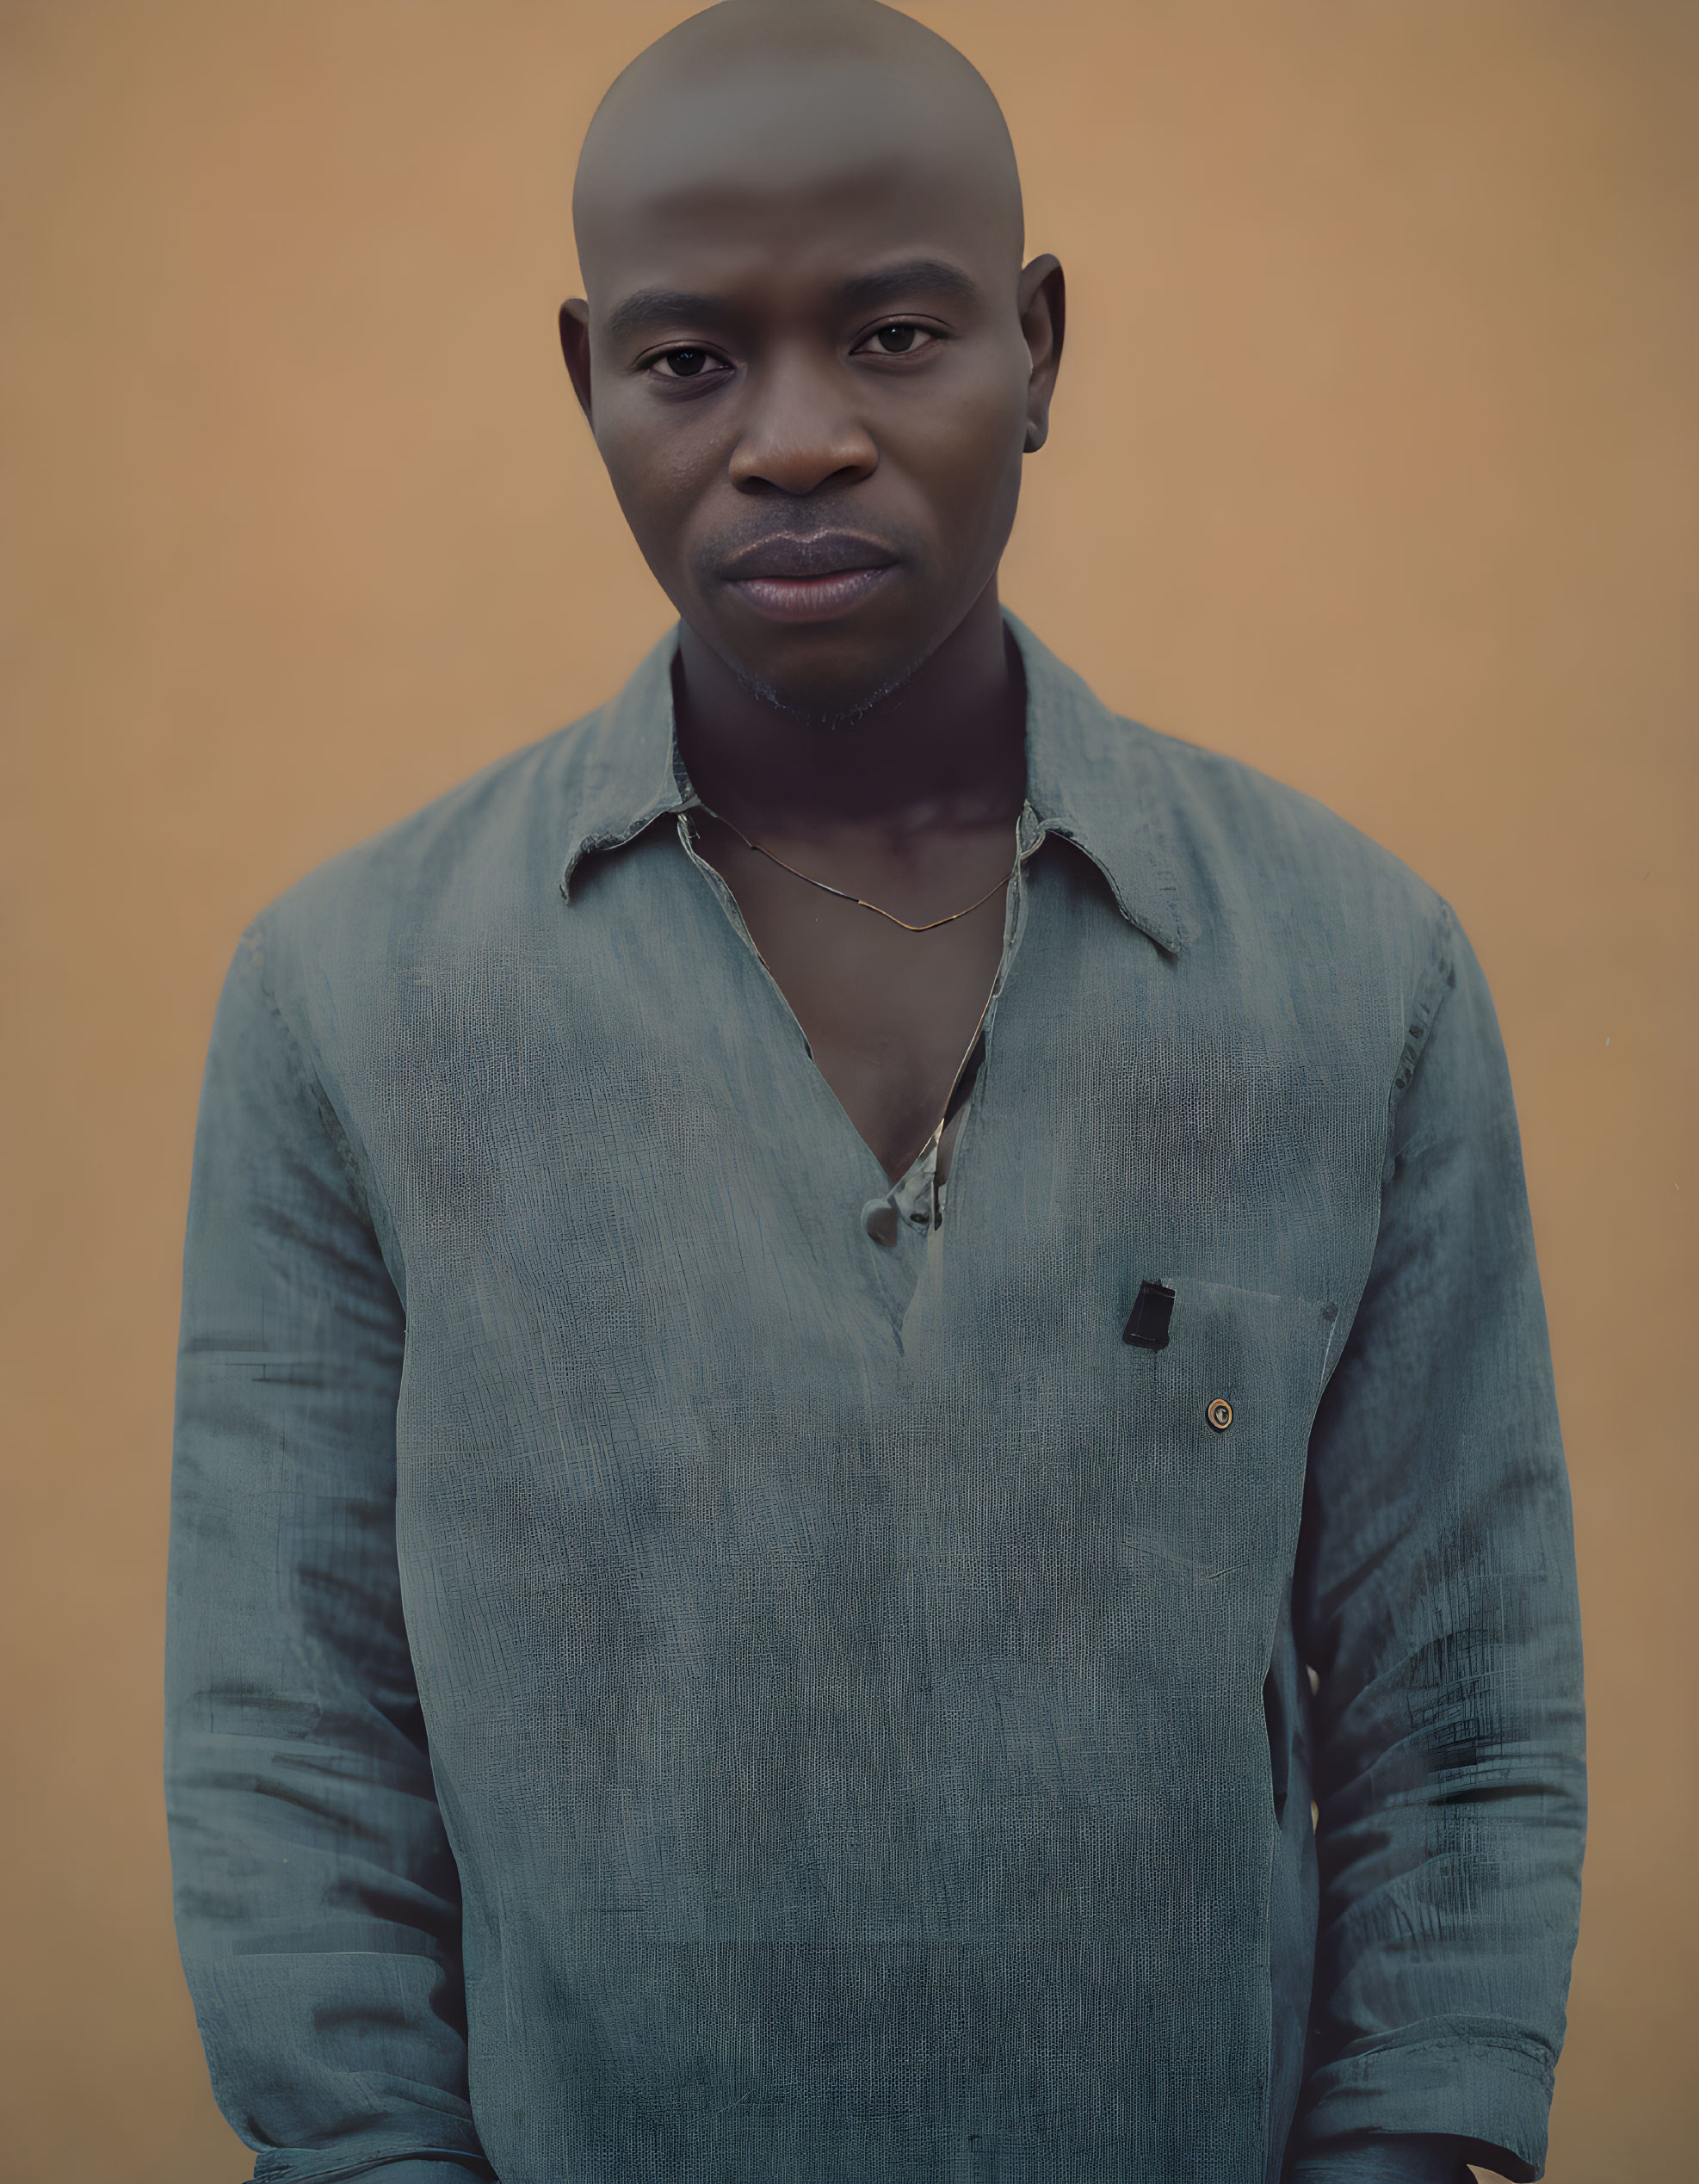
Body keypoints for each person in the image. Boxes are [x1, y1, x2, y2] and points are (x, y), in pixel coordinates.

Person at [164, 5, 1585, 2181]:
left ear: (1039, 344)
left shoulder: (1354, 973)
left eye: (898, 335)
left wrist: (1414, 2151)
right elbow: (295, 1741)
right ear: (583, 385)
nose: (795, 439)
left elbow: (1462, 1713)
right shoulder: (354, 1002)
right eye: (688, 361)